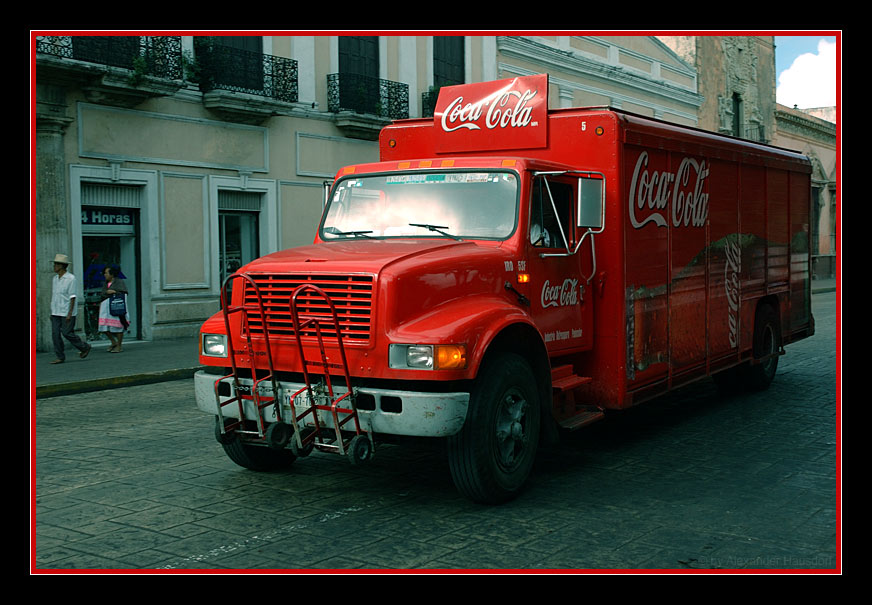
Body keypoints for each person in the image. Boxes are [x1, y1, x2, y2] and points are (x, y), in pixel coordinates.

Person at [50, 253, 91, 363]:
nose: (54, 266)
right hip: (55, 311)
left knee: (67, 333)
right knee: (55, 334)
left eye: (56, 264)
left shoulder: (71, 279)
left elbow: (72, 297)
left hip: (66, 311)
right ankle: (60, 356)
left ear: (62, 266)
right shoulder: (55, 279)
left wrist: (69, 313)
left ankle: (84, 347)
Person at [98, 265, 129, 353]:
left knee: (118, 327)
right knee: (103, 326)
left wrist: (115, 292)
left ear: (112, 274)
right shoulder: (105, 283)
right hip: (106, 307)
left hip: (117, 307)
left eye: (107, 273)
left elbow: (124, 293)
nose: (105, 275)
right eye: (104, 273)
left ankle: (119, 345)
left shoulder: (119, 282)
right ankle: (113, 342)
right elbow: (103, 294)